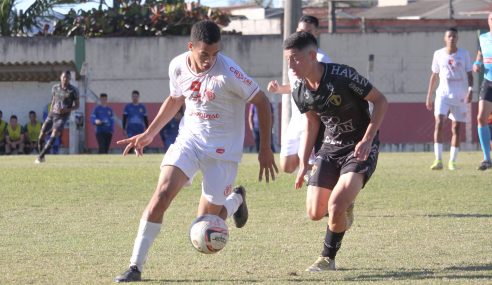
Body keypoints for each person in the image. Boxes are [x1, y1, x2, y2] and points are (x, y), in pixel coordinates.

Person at [114, 20, 278, 282]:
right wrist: (149, 134)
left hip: (223, 152)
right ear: (190, 47)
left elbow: (262, 102)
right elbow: (176, 98)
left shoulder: (229, 73)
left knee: (204, 226)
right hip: (189, 141)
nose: (209, 60)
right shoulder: (178, 65)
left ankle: (235, 201)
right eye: (204, 54)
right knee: (162, 195)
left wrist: (265, 149)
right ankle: (135, 266)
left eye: (215, 54)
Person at [284, 32, 387, 271]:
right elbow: (312, 124)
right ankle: (345, 206)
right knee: (314, 212)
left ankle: (327, 258)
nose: (291, 65)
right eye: (287, 59)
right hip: (330, 148)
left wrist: (368, 139)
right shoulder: (300, 91)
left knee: (335, 206)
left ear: (311, 55)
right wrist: (303, 164)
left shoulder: (343, 75)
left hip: (358, 146)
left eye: (295, 59)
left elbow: (381, 101)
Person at [267, 15, 332, 174]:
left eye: (308, 31)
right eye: (301, 31)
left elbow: (326, 89)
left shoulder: (321, 59)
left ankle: (321, 177)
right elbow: (296, 87)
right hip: (296, 118)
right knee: (287, 166)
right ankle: (319, 170)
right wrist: (279, 89)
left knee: (308, 161)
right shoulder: (292, 58)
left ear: (316, 32)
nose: (304, 35)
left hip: (312, 119)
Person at [425, 27, 473, 171]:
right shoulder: (438, 54)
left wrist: (470, 90)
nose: (452, 38)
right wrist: (429, 96)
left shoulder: (464, 54)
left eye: (454, 36)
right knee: (439, 122)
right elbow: (434, 75)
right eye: (449, 36)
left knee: (456, 128)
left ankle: (452, 161)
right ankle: (438, 159)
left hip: (460, 95)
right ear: (445, 38)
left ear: (457, 38)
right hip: (442, 94)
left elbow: (470, 74)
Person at [35, 70, 80, 163]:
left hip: (62, 116)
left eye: (67, 77)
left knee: (54, 133)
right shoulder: (55, 88)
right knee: (41, 134)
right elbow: (53, 101)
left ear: (70, 79)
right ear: (60, 77)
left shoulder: (73, 90)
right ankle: (42, 156)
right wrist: (50, 112)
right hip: (52, 114)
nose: (65, 79)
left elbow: (77, 106)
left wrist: (66, 110)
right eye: (64, 77)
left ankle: (40, 157)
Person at [472, 12, 492, 171]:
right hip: (489, 82)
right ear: (488, 20)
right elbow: (479, 56)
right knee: (481, 118)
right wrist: (477, 64)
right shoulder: (483, 38)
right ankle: (486, 158)